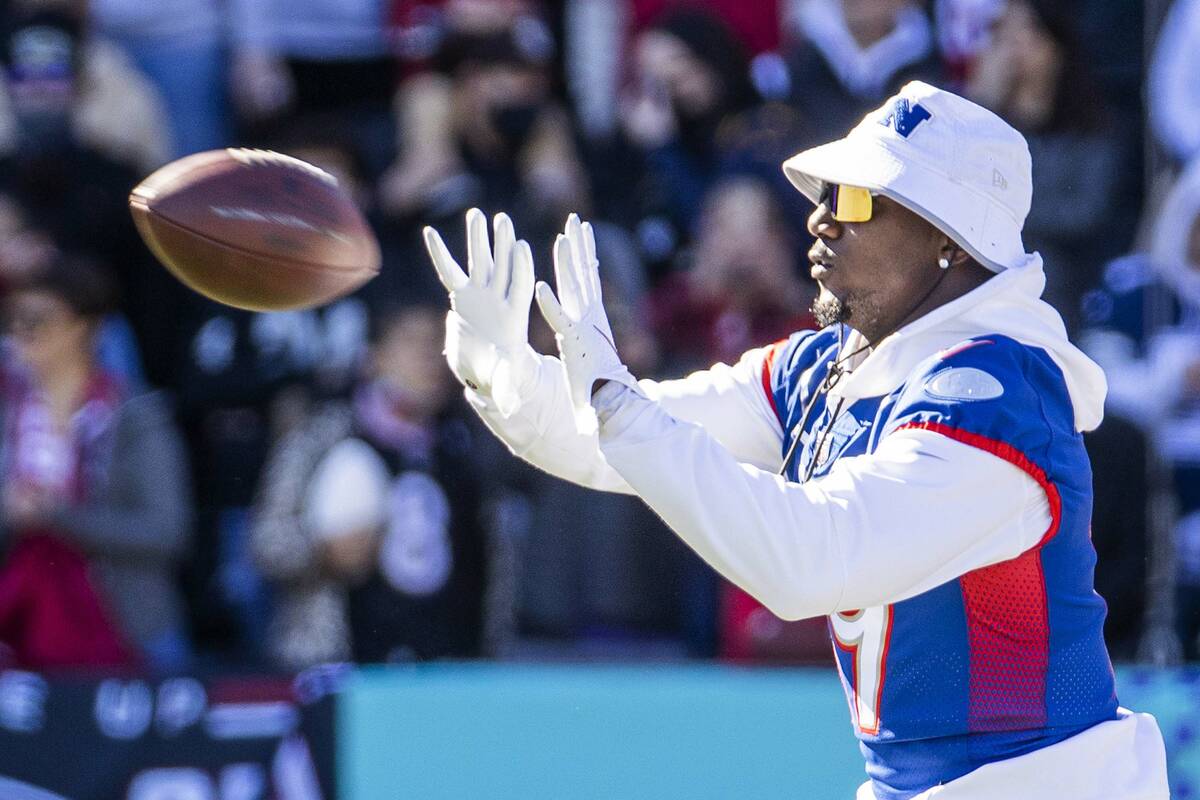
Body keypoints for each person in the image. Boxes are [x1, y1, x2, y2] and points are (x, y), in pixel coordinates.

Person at [423, 82, 1169, 798]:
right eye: (822, 196)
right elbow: (620, 442)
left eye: (853, 198)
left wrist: (619, 407)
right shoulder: (832, 363)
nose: (820, 220)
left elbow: (812, 560)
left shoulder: (998, 396)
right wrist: (505, 376)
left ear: (949, 236)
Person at [252, 303, 490, 669]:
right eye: (412, 342)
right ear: (373, 359)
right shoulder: (323, 436)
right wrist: (323, 553)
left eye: (439, 345)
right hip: (344, 668)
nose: (429, 358)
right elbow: (267, 542)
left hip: (451, 674)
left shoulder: (470, 444)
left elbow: (491, 564)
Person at [0, 258, 193, 673]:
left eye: (36, 320)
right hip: (15, 628)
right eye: (12, 320)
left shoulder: (137, 414)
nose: (20, 333)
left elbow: (165, 531)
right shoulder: (6, 410)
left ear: (83, 326)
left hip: (126, 629)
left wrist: (58, 516)